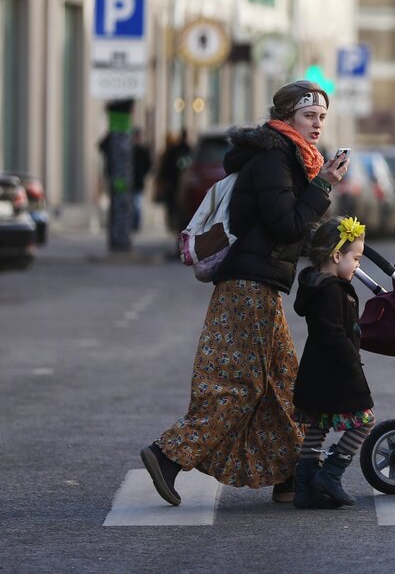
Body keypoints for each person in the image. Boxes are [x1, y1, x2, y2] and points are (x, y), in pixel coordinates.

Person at [140, 80, 350, 507]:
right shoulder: (274, 159)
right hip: (247, 287)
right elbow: (285, 226)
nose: (317, 125)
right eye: (309, 116)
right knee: (239, 384)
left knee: (283, 382)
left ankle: (290, 473)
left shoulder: (289, 159)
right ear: (286, 117)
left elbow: (290, 227)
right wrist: (323, 186)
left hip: (261, 284)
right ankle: (168, 456)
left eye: (322, 117)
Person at [291, 216, 374, 509]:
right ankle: (330, 474)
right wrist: (351, 359)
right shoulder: (330, 291)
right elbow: (331, 331)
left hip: (316, 371)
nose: (357, 265)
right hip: (336, 370)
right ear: (337, 255)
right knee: (364, 421)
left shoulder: (318, 287)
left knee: (316, 425)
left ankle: (305, 486)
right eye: (356, 258)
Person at [155, 130, 192, 232]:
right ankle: (173, 221)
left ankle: (172, 221)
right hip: (176, 182)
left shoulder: (173, 150)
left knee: (171, 204)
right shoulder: (189, 150)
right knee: (175, 204)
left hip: (172, 182)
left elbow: (164, 168)